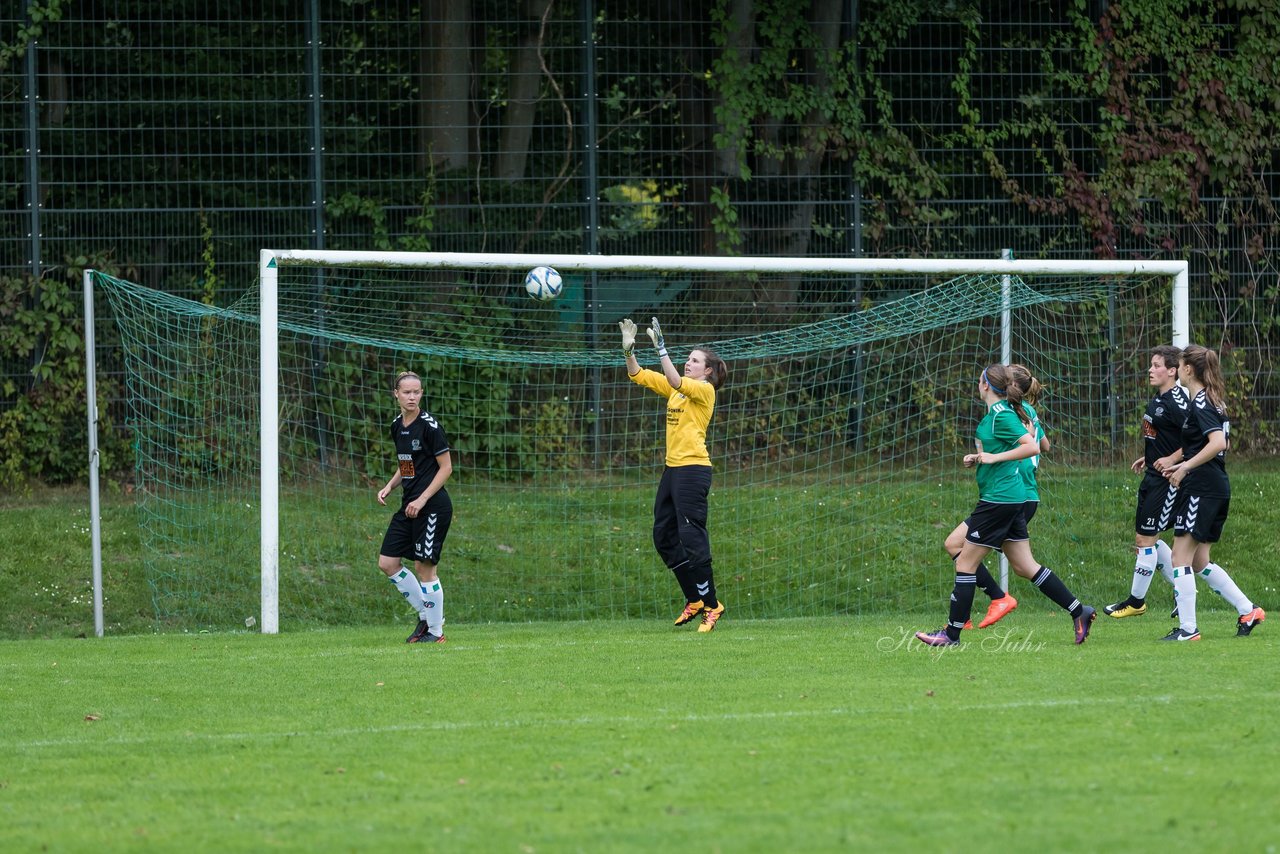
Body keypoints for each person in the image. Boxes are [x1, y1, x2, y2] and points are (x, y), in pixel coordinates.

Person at [917, 363, 1096, 647]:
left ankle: (952, 634)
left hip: (1000, 500)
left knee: (965, 561)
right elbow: (1008, 448)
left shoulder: (1002, 415)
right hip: (1007, 498)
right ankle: (1079, 610)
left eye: (979, 380)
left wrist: (993, 458)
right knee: (1025, 566)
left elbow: (1033, 446)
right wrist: (978, 458)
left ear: (985, 385)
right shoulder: (1000, 414)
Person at [619, 316, 729, 632]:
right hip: (672, 470)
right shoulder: (676, 390)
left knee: (692, 536)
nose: (688, 363)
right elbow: (637, 375)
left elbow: (678, 381)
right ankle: (694, 599)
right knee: (663, 536)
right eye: (688, 359)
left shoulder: (704, 391)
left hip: (693, 470)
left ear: (707, 370)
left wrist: (663, 349)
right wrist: (629, 351)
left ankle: (712, 605)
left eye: (694, 360)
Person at [1159, 345, 1265, 641]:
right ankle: (1248, 609)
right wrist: (1179, 463)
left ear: (1188, 369)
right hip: (1213, 485)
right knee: (1199, 560)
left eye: (1179, 365)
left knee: (1179, 557)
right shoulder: (1212, 400)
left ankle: (1188, 629)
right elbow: (1216, 445)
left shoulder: (1202, 402)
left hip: (1203, 488)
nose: (1177, 370)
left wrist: (1185, 468)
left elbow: (1218, 443)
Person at [1104, 346, 1184, 619]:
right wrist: (1148, 456)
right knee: (1148, 538)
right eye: (1151, 365)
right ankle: (1182, 593)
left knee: (1145, 539)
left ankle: (1136, 602)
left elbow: (1198, 440)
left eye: (1157, 365)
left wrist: (1171, 459)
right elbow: (1165, 436)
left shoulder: (1178, 401)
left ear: (1172, 370)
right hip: (1152, 474)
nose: (1150, 370)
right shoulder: (1159, 398)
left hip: (1166, 480)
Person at [376, 370, 454, 644]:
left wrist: (421, 499)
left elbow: (446, 469)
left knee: (424, 568)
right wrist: (390, 486)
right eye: (406, 392)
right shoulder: (398, 425)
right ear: (395, 394)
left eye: (417, 392)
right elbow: (406, 464)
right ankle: (426, 615)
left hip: (432, 506)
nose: (412, 396)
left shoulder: (430, 427)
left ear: (421, 393)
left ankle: (436, 632)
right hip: (410, 505)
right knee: (387, 562)